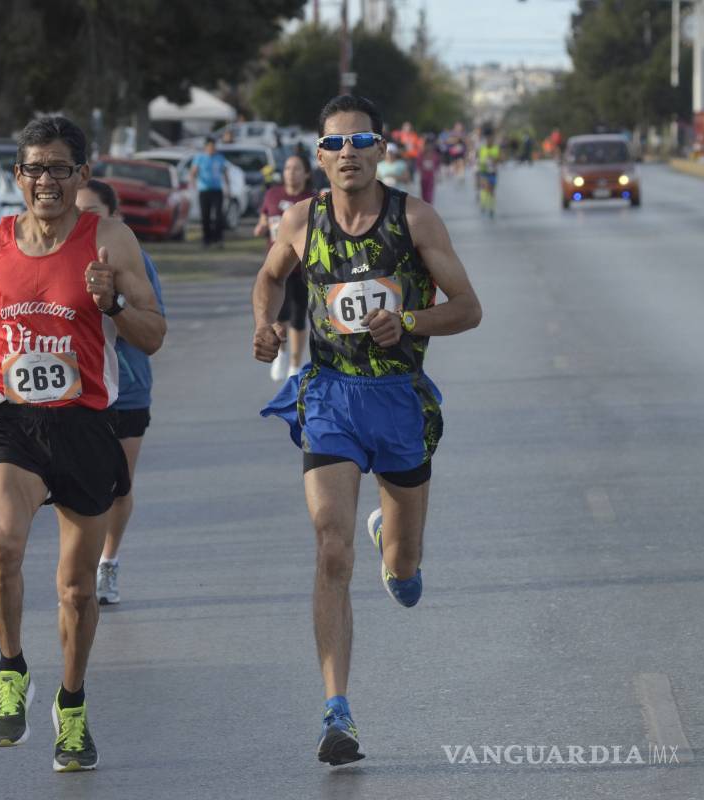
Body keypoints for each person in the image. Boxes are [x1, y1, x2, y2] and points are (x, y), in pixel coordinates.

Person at [251, 94, 481, 767]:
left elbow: (468, 308)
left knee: (403, 573)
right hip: (329, 397)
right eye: (334, 144)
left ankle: (394, 544)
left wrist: (408, 321)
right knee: (330, 548)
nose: (346, 154)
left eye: (360, 142)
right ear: (319, 156)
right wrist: (263, 325)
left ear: (383, 150)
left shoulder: (414, 219)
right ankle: (336, 711)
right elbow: (268, 280)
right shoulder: (302, 220)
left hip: (399, 401)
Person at [0, 116, 165, 772]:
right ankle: (12, 673)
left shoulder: (110, 241)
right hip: (11, 422)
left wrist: (114, 303)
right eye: (34, 168)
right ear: (17, 177)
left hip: (86, 423)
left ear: (81, 176)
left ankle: (72, 704)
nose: (45, 181)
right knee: (1, 543)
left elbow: (153, 334)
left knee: (75, 591)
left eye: (59, 168)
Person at [74, 179, 166, 606]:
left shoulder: (134, 260)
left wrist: (113, 303)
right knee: (80, 485)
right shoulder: (57, 257)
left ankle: (107, 562)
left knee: (118, 487)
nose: (82, 221)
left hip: (126, 388)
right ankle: (80, 567)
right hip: (76, 390)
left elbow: (152, 325)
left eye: (92, 212)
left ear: (115, 218)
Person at [253, 155, 313, 381]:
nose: (291, 172)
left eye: (297, 169)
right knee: (280, 315)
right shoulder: (273, 194)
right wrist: (260, 227)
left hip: (303, 268)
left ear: (306, 173)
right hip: (278, 267)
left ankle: (296, 365)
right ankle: (282, 353)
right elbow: (264, 217)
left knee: (298, 318)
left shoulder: (312, 199)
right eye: (288, 168)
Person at [188, 137, 229, 248]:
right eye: (210, 146)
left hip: (217, 190)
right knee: (205, 216)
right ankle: (207, 239)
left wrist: (227, 187)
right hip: (204, 190)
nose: (212, 149)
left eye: (213, 146)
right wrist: (194, 184)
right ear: (206, 147)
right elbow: (193, 172)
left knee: (218, 215)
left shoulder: (219, 158)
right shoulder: (200, 158)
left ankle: (218, 239)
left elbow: (225, 172)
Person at [476, 126, 501, 218]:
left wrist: (495, 160)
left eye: (491, 139)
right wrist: (482, 162)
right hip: (484, 172)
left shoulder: (496, 148)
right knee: (484, 188)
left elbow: (499, 159)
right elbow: (477, 158)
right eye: (488, 139)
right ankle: (484, 203)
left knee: (492, 190)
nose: (489, 140)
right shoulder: (482, 148)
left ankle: (492, 208)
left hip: (493, 172)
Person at [418, 137, 441, 205]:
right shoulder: (421, 154)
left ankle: (429, 206)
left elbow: (437, 165)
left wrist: (438, 174)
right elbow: (418, 164)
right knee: (423, 193)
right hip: (423, 177)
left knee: (430, 194)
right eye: (427, 145)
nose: (429, 146)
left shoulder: (435, 155)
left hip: (431, 177)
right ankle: (424, 205)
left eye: (431, 145)